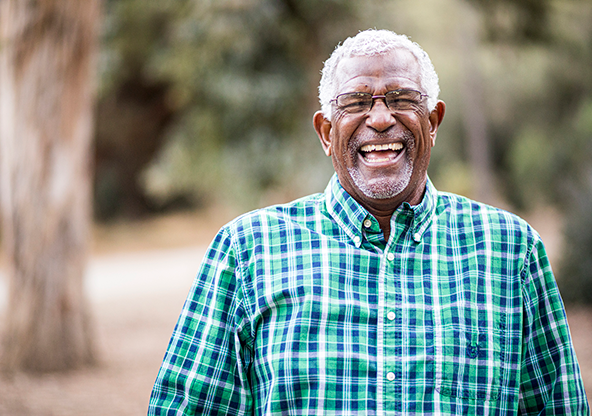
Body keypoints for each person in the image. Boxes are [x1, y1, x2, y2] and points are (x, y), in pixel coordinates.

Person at [148, 29, 589, 415]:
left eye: (402, 100)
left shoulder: (510, 251)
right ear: (326, 131)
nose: (380, 119)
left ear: (432, 121)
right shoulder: (247, 250)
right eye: (356, 102)